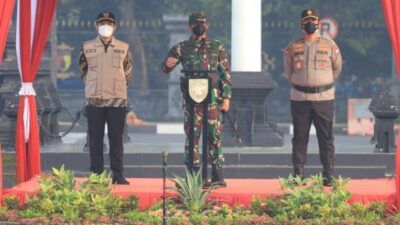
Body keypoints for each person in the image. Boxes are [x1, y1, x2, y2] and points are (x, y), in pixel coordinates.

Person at [161, 12, 232, 187]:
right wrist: (166, 65)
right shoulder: (182, 47)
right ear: (189, 26)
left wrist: (226, 97)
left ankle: (217, 174)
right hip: (192, 101)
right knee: (192, 136)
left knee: (214, 135)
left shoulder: (217, 47)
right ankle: (193, 174)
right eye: (195, 24)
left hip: (212, 99)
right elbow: (166, 67)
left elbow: (225, 74)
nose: (198, 26)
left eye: (202, 23)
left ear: (207, 25)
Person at [283, 8, 342, 186]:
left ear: (317, 23)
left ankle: (328, 173)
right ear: (301, 24)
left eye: (313, 20)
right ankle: (299, 173)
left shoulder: (330, 45)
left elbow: (336, 68)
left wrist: (322, 82)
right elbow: (288, 71)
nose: (310, 23)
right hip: (300, 98)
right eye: (306, 20)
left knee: (326, 137)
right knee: (300, 137)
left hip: (323, 98)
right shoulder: (293, 47)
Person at [78, 11, 133, 184]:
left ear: (115, 26)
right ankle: (97, 175)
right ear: (96, 25)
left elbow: (128, 73)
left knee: (116, 140)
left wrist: (117, 87)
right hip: (95, 100)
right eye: (102, 23)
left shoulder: (124, 47)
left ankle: (118, 174)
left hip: (117, 101)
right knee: (95, 140)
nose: (105, 26)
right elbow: (83, 70)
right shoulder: (87, 47)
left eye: (109, 23)